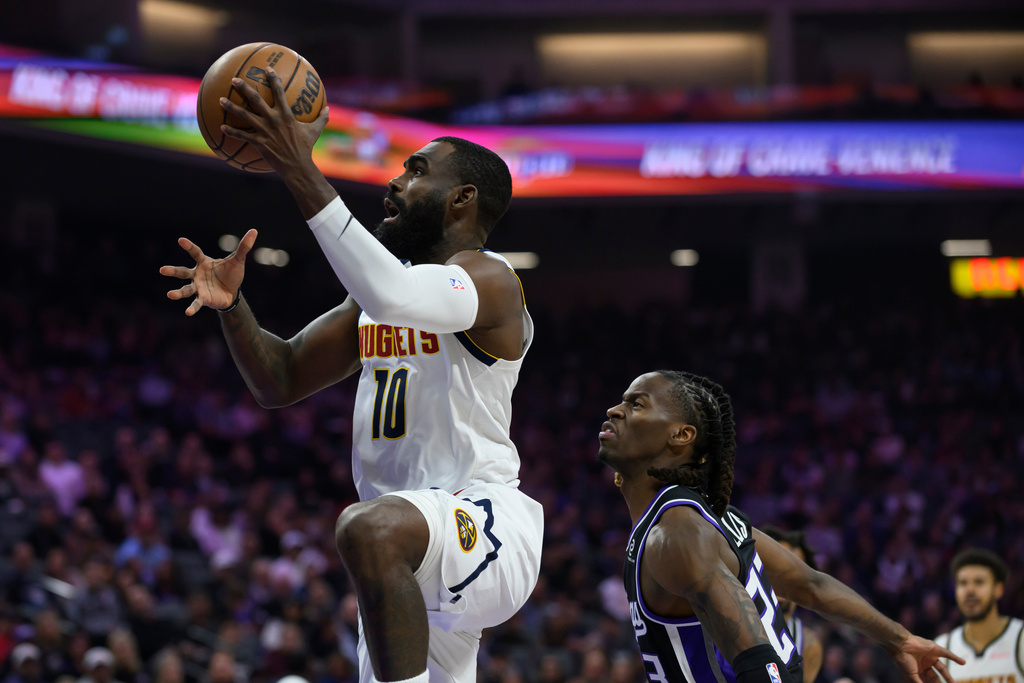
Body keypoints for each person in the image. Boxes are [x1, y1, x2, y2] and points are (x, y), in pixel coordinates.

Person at [161, 68, 542, 683]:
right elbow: (280, 378)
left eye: (417, 171)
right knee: (377, 533)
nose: (395, 180)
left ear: (462, 198)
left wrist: (296, 165)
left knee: (368, 528)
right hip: (406, 552)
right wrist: (233, 308)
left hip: (482, 519)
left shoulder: (492, 279)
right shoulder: (375, 301)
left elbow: (391, 293)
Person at [596, 370, 963, 683]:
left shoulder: (676, 533)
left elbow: (759, 662)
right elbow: (812, 586)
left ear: (681, 435)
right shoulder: (717, 518)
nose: (615, 410)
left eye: (637, 404)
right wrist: (899, 639)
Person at [934, 548, 1024, 682]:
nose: (970, 590)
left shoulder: (1021, 638)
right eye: (963, 583)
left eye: (979, 582)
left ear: (998, 589)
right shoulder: (942, 648)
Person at [759, 526, 823, 683]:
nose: (783, 581)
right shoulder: (737, 621)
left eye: (792, 575)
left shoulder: (808, 644)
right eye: (775, 570)